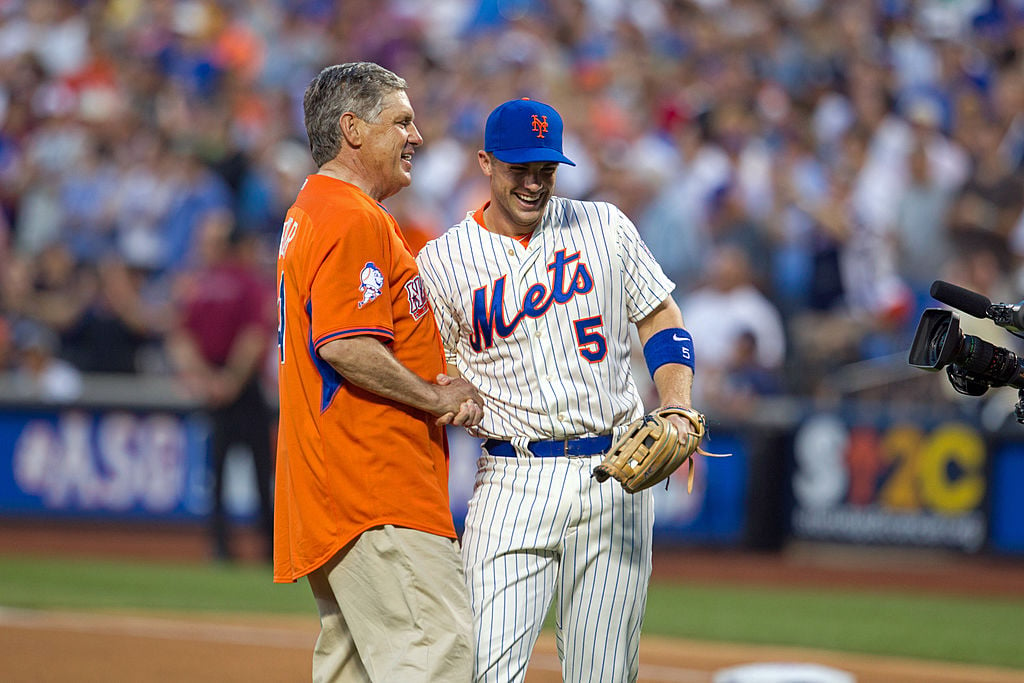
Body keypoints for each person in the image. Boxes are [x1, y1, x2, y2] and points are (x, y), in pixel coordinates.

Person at [416, 97, 702, 683]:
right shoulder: (442, 262)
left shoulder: (604, 225)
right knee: (481, 669)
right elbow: (436, 372)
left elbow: (661, 316)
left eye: (545, 169)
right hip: (511, 477)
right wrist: (454, 387)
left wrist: (675, 402)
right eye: (519, 168)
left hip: (616, 472)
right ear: (486, 163)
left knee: (603, 673)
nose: (533, 182)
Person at [273, 62, 483, 682]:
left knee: (356, 669)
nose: (416, 136)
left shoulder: (312, 211)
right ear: (353, 130)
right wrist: (435, 396)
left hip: (339, 486)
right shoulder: (350, 215)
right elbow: (345, 345)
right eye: (401, 122)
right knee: (435, 652)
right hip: (374, 483)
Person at [166, 210, 276, 562]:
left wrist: (206, 378)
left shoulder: (197, 285)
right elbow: (254, 336)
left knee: (217, 472)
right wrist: (229, 379)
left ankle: (220, 546)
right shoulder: (247, 282)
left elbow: (180, 338)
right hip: (242, 387)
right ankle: (268, 547)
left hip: (216, 386)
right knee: (260, 470)